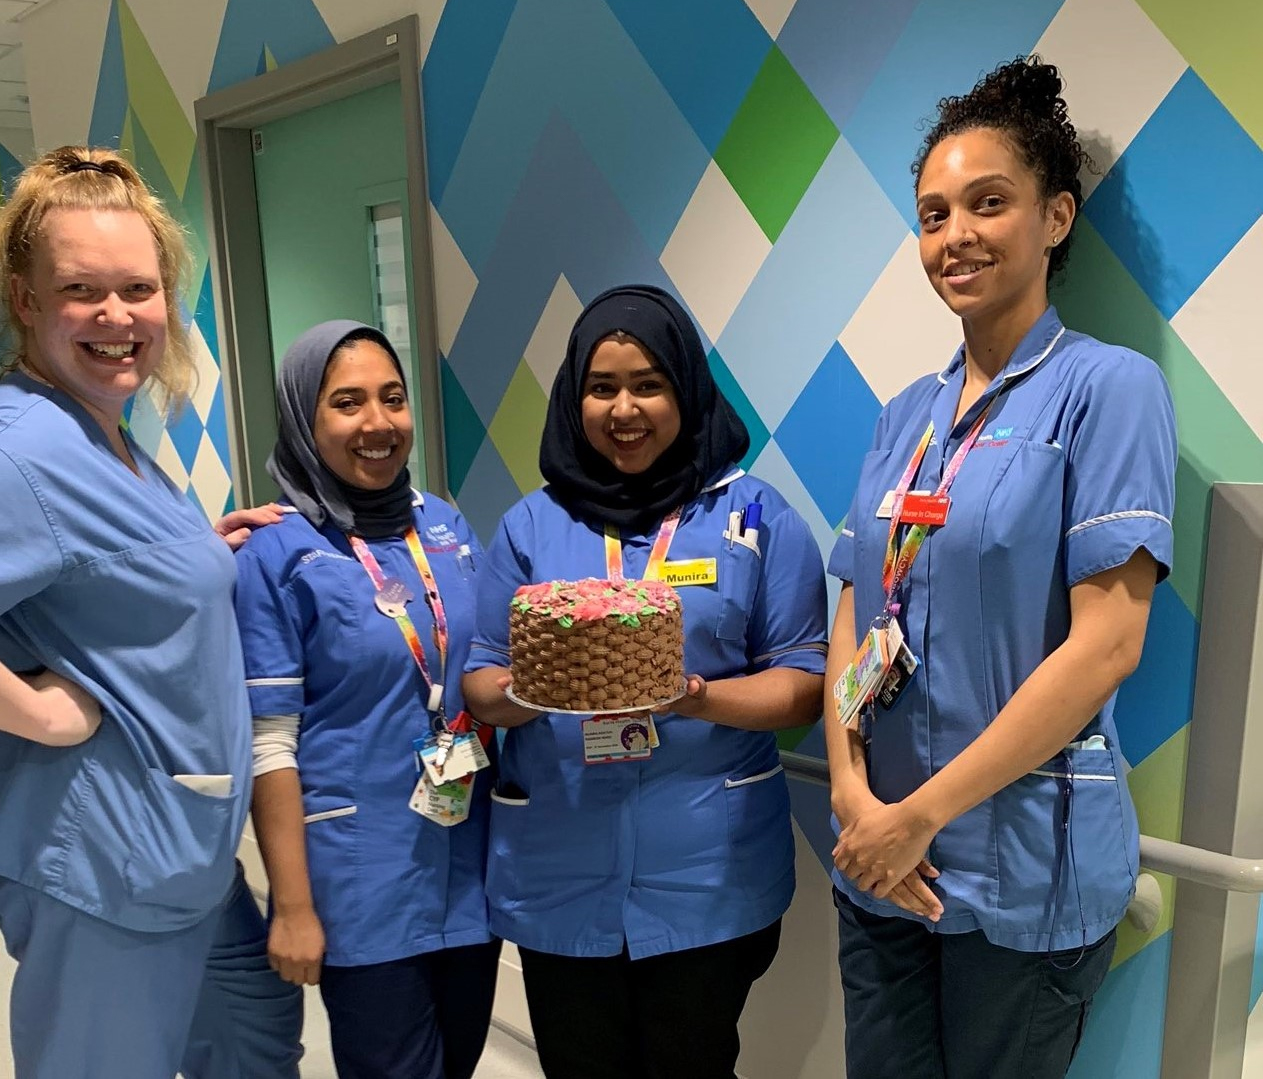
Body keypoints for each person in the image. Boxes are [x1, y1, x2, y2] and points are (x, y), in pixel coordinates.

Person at [0, 146, 301, 1079]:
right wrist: (33, 709)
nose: (119, 317)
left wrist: (194, 549)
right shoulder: (24, 443)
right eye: (82, 289)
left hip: (181, 850)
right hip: (106, 863)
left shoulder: (104, 436)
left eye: (140, 288)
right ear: (25, 300)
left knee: (252, 1041)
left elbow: (86, 561)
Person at [823, 57, 1177, 1078]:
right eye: (933, 214)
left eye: (987, 203)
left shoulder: (1106, 391)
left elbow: (1106, 642)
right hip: (879, 861)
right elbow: (855, 601)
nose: (954, 237)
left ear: (1054, 217)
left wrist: (917, 814)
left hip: (1022, 872)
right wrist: (851, 791)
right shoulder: (902, 418)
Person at [463, 284, 828, 1079]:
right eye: (601, 387)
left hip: (706, 876)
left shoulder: (757, 521)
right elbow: (480, 683)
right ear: (573, 398)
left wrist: (690, 695)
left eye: (647, 384)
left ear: (686, 390)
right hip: (559, 873)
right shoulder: (532, 526)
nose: (623, 409)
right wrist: (545, 688)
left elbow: (803, 683)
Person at [234, 321, 497, 1079]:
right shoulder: (277, 552)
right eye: (347, 403)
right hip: (359, 876)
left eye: (392, 398)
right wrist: (292, 905)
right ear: (303, 420)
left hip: (466, 860)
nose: (378, 423)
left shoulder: (444, 526)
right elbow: (268, 742)